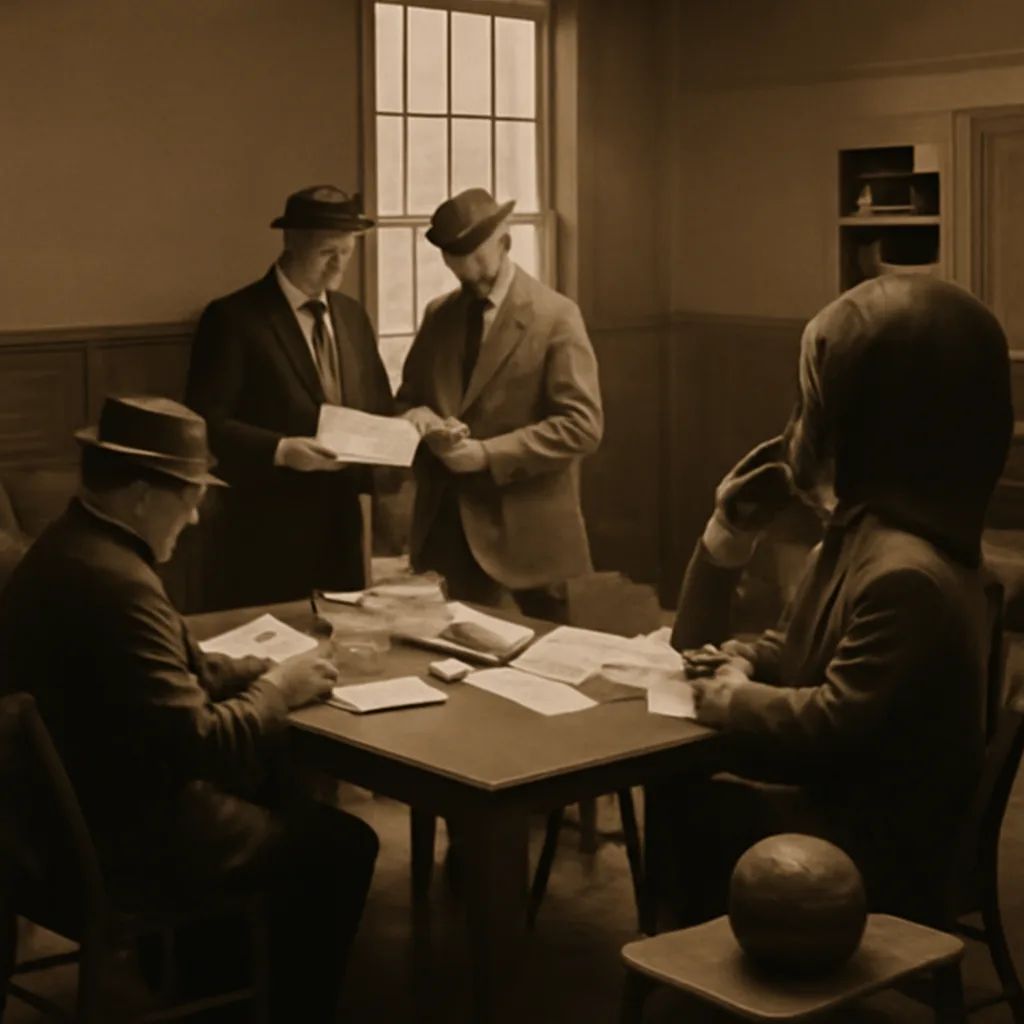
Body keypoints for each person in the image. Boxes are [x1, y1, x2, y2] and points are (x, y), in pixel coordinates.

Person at [0, 395, 379, 1023]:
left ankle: (202, 981)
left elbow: (161, 673)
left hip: (45, 837)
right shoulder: (119, 582)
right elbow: (202, 741)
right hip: (123, 844)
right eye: (190, 494)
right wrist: (279, 692)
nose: (198, 515)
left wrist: (261, 670)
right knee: (340, 845)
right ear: (144, 494)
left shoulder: (69, 548)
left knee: (279, 792)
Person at [662, 275, 1013, 929]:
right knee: (692, 787)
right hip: (841, 804)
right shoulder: (865, 537)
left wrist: (736, 700)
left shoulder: (910, 576)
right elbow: (794, 652)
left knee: (692, 797)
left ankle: (693, 969)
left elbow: (830, 726)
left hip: (872, 848)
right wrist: (739, 654)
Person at [396, 187, 603, 622]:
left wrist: (487, 454)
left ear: (505, 243)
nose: (469, 274)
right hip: (447, 536)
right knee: (452, 668)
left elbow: (583, 425)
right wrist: (421, 419)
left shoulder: (556, 316)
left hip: (530, 539)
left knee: (547, 672)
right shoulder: (439, 315)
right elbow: (408, 399)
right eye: (456, 262)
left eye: (478, 259)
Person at [185, 185, 394, 611]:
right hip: (264, 533)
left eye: (347, 252)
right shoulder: (234, 318)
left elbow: (378, 408)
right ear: (290, 243)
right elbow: (206, 422)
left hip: (342, 532)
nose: (339, 264)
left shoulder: (353, 317)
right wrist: (281, 451)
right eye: (326, 252)